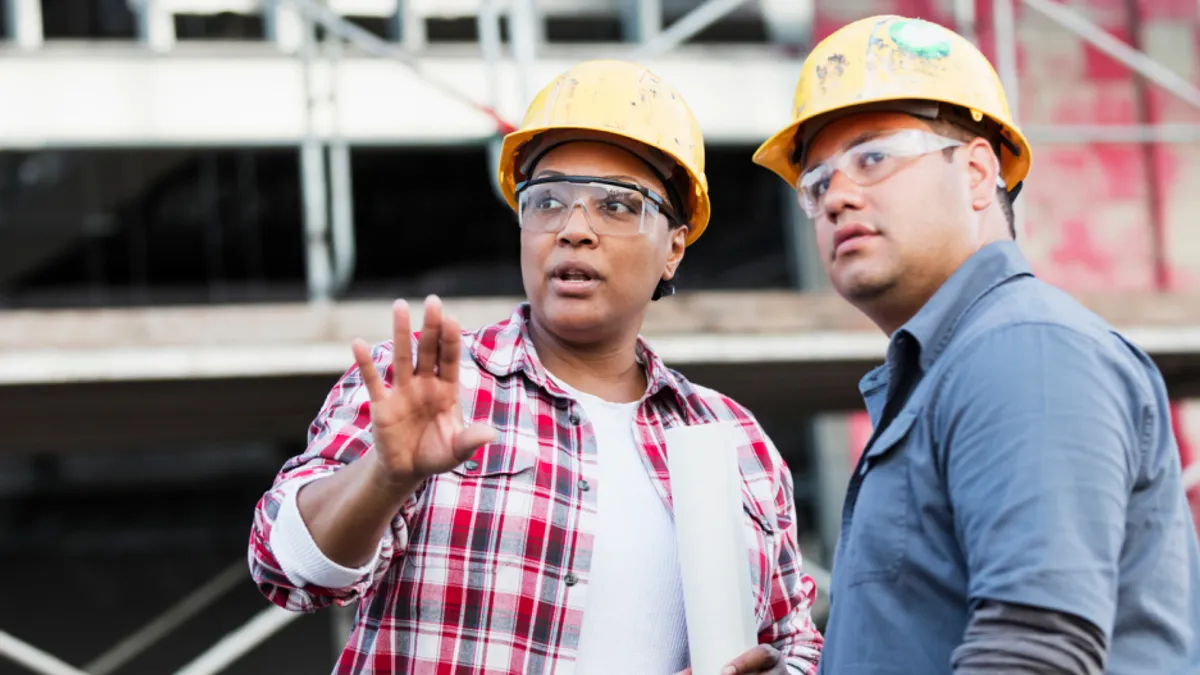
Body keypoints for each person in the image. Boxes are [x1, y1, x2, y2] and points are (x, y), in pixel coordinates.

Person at [248, 59, 823, 675]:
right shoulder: (424, 383)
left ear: (674, 248)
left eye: (618, 206)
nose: (574, 230)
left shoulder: (736, 443)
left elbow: (797, 646)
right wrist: (383, 476)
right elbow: (286, 572)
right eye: (547, 200)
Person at [753, 14, 1200, 675]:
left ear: (976, 171)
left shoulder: (1025, 352)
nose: (839, 195)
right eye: (817, 184)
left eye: (873, 157)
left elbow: (1035, 650)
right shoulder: (949, 372)